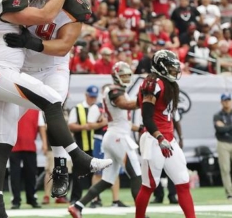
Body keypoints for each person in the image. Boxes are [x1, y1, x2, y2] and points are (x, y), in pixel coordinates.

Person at [0, 0, 112, 217]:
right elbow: (42, 13)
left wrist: (33, 43)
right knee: (22, 120)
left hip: (51, 66)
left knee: (50, 108)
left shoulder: (71, 4)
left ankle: (60, 168)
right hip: (18, 68)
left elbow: (63, 46)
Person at [68, 62, 143, 218]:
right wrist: (145, 100)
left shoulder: (119, 90)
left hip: (113, 135)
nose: (126, 78)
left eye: (128, 75)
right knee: (136, 175)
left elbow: (124, 120)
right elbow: (125, 105)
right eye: (123, 75)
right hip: (118, 138)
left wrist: (141, 128)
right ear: (115, 76)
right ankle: (141, 215)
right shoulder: (113, 90)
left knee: (108, 179)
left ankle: (78, 206)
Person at [134, 50, 196, 218]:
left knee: (183, 183)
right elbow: (146, 117)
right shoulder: (152, 84)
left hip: (169, 139)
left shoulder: (168, 84)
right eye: (170, 67)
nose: (174, 71)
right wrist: (160, 137)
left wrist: (171, 137)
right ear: (160, 67)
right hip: (154, 139)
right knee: (149, 186)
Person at [67, 85, 107, 203]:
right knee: (78, 174)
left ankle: (95, 198)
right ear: (86, 95)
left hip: (96, 145)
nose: (92, 99)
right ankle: (75, 198)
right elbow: (71, 125)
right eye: (90, 97)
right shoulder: (78, 108)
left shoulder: (100, 108)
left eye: (94, 97)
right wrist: (85, 127)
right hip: (81, 146)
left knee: (95, 174)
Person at [9, 110, 44, 209]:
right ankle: (16, 200)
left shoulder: (36, 109)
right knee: (14, 174)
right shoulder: (13, 106)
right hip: (14, 146)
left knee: (31, 174)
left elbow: (41, 126)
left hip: (30, 146)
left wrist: (44, 142)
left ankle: (32, 198)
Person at [213, 93, 232, 200]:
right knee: (225, 169)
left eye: (229, 100)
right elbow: (220, 129)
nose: (227, 102)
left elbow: (224, 128)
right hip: (223, 143)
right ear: (221, 102)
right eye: (225, 100)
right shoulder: (217, 115)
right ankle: (229, 193)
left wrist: (226, 127)